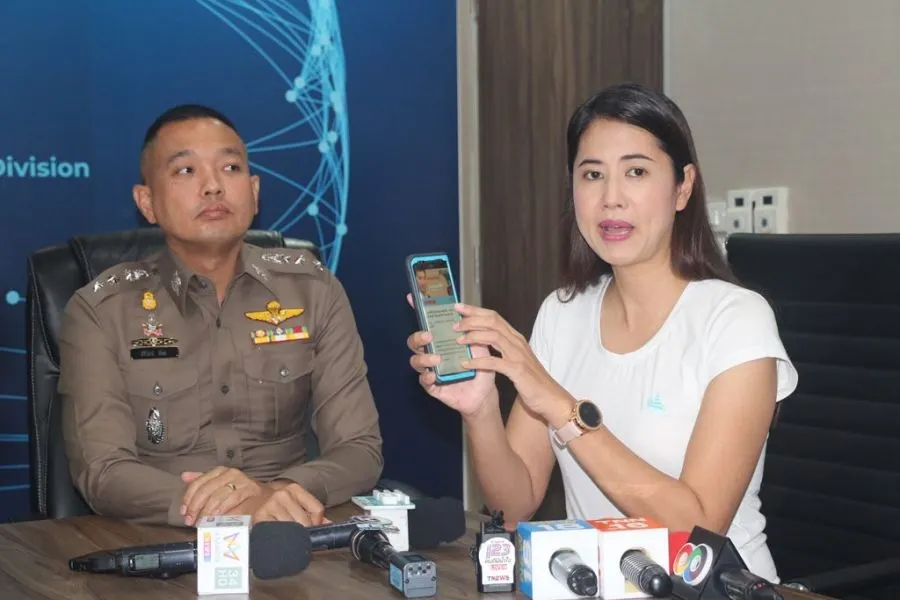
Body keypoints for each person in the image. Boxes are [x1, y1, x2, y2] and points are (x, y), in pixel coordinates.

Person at [406, 83, 797, 582]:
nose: (611, 199)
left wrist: (561, 407)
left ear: (683, 187)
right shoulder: (561, 314)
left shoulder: (736, 320)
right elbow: (514, 506)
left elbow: (697, 532)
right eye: (592, 175)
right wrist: (480, 410)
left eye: (636, 172)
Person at [59, 104, 383, 529]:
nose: (212, 186)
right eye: (186, 171)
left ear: (254, 190)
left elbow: (359, 449)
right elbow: (101, 471)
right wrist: (225, 506)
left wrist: (279, 493)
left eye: (230, 168)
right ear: (147, 202)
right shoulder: (102, 310)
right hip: (162, 539)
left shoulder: (314, 290)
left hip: (290, 531)